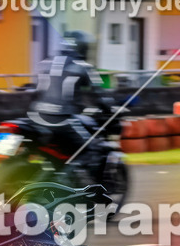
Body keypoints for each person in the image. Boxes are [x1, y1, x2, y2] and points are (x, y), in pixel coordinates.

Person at [29, 30, 115, 175]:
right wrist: (110, 109)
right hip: (61, 120)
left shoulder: (44, 64)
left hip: (34, 118)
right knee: (91, 148)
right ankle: (69, 184)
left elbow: (34, 93)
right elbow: (100, 96)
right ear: (83, 48)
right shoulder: (84, 67)